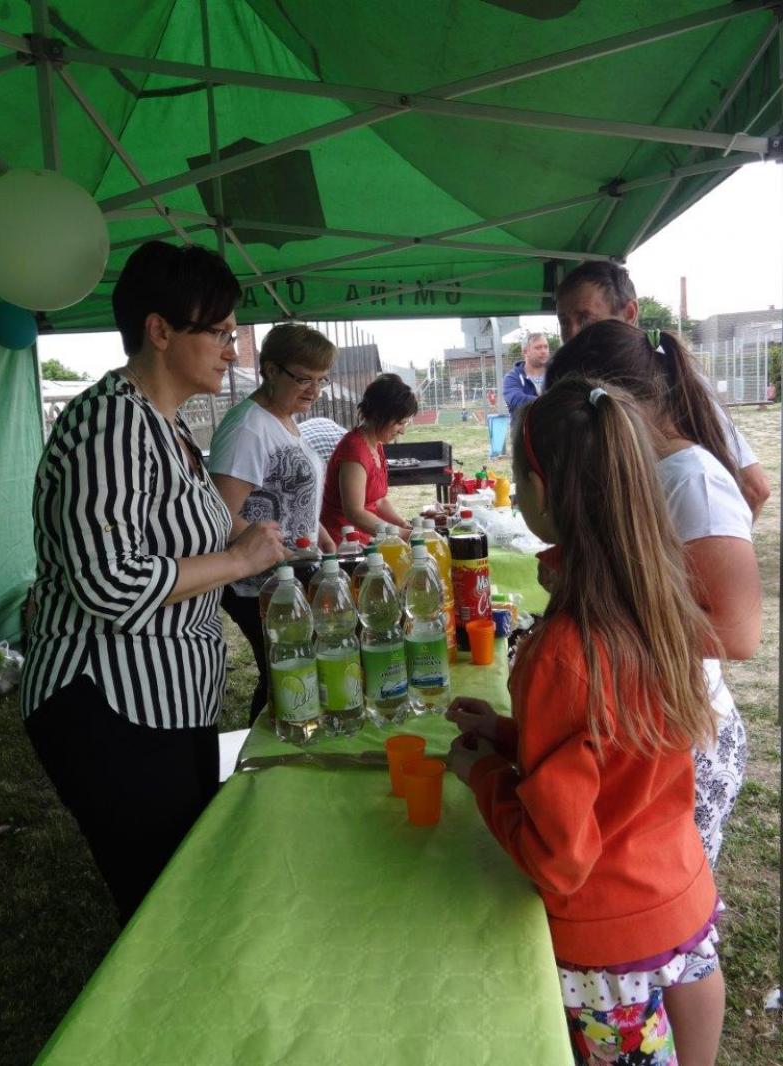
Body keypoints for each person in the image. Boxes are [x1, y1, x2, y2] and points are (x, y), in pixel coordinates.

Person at [447, 377, 724, 1065]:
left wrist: (480, 771)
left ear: (540, 494)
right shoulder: (657, 604)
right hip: (674, 892)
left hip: (606, 948)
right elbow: (621, 751)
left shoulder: (565, 653)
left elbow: (559, 859)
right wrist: (512, 737)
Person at [20, 240, 285, 926]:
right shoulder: (110, 422)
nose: (233, 351)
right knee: (166, 907)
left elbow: (180, 542)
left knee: (191, 881)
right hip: (109, 708)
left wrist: (257, 545)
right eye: (221, 332)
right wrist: (239, 562)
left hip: (168, 704)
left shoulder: (166, 429)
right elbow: (110, 582)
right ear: (160, 330)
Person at [555, 261, 771, 519]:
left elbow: (754, 488)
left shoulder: (674, 380)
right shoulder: (587, 392)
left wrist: (714, 548)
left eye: (584, 318)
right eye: (564, 323)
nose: (572, 334)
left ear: (630, 313)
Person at [209, 322, 337, 725]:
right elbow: (221, 513)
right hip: (258, 585)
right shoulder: (248, 427)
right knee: (283, 673)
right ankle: (266, 764)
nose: (313, 390)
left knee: (292, 668)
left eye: (321, 380)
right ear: (269, 369)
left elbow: (288, 493)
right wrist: (265, 556)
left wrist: (321, 536)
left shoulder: (284, 418)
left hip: (291, 571)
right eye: (303, 378)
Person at [320, 373, 417, 544]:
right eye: (399, 423)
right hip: (343, 545)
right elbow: (355, 513)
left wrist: (402, 524)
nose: (402, 431)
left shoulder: (375, 444)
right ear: (380, 415)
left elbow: (378, 501)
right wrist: (400, 534)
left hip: (366, 538)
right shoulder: (354, 452)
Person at [502, 332, 551, 414]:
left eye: (546, 347)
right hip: (525, 426)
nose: (543, 351)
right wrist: (550, 402)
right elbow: (517, 400)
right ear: (525, 352)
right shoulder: (512, 377)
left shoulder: (556, 374)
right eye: (538, 348)